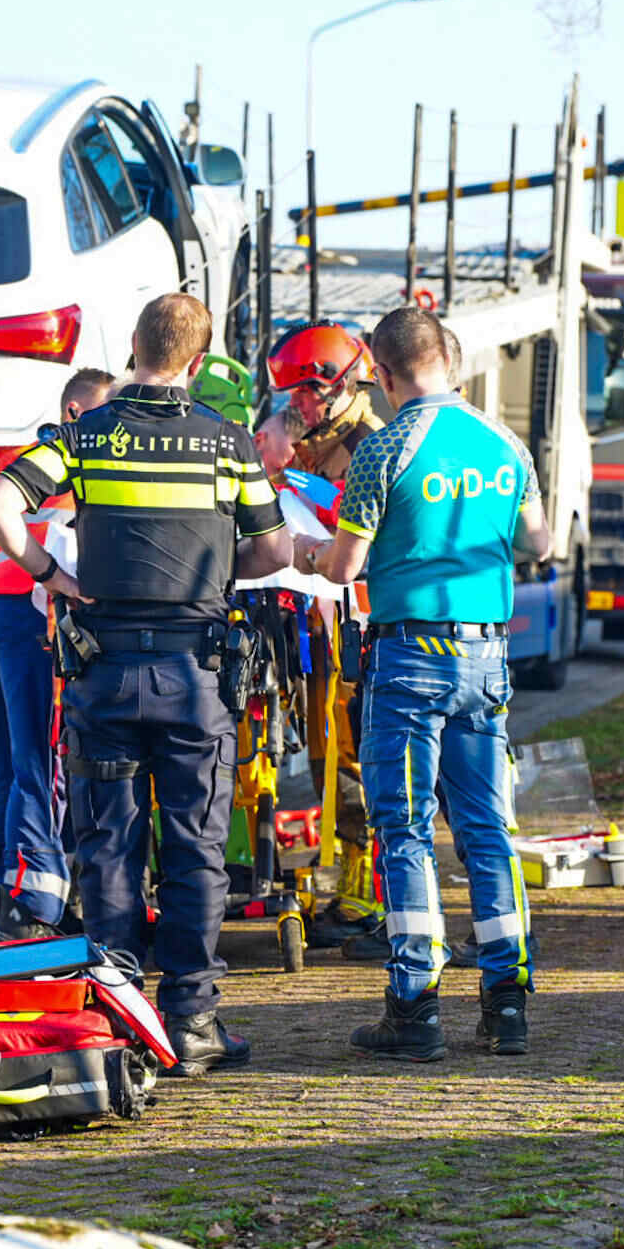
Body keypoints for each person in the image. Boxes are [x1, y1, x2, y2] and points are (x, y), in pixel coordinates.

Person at [0, 293, 290, 1075]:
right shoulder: (225, 442)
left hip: (103, 673)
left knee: (108, 847)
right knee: (195, 849)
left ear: (134, 347)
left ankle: (121, 1021)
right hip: (195, 677)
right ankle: (192, 1023)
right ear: (196, 360)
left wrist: (51, 575)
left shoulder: (85, 435)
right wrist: (210, 570)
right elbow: (276, 551)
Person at [304, 306, 551, 1061]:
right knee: (488, 827)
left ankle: (414, 1008)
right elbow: (538, 542)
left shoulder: (385, 449)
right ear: (449, 360)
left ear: (381, 373)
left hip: (410, 656)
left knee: (405, 829)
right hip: (486, 656)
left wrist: (310, 553)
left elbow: (345, 567)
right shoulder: (505, 442)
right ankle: (507, 1003)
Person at [0, 368, 114, 939]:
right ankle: (34, 905)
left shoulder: (20, 459)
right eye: (105, 413)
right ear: (74, 413)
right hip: (31, 609)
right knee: (42, 761)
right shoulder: (81, 464)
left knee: (6, 761)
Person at [257, 322, 387, 951]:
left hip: (358, 622)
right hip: (314, 623)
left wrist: (330, 501)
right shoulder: (312, 435)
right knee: (319, 754)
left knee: (355, 752)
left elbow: (375, 534)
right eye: (293, 395)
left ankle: (369, 892)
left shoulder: (369, 446)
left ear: (342, 385)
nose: (298, 405)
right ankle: (336, 875)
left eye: (307, 393)